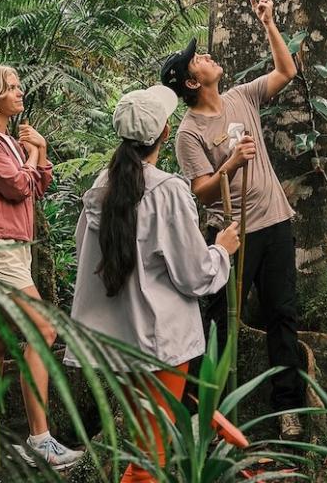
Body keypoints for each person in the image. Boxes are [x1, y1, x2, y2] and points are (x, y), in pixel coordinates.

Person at [66, 85, 241, 483]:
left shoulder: (99, 189)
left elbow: (87, 258)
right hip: (159, 343)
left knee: (146, 443)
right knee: (151, 456)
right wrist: (222, 250)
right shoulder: (166, 190)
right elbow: (195, 274)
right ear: (165, 133)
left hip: (115, 341)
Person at [159, 0, 306, 439]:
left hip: (275, 224)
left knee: (283, 314)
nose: (204, 55)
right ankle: (210, 408)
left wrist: (268, 22)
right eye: (196, 59)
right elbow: (203, 192)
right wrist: (231, 164)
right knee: (224, 323)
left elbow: (287, 71)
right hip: (235, 236)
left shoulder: (242, 96)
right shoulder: (188, 132)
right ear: (190, 82)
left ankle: (289, 408)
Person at [0, 64, 82, 470]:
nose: (20, 93)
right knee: (44, 328)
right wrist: (35, 153)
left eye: (20, 87)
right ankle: (40, 439)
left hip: (11, 245)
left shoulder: (7, 139)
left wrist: (37, 153)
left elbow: (38, 186)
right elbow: (17, 185)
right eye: (13, 88)